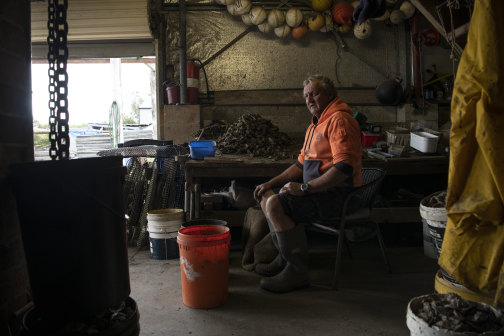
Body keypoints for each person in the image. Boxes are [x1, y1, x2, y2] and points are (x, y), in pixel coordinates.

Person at [253, 74, 363, 293]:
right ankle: (285, 259)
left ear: (330, 94)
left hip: (339, 195)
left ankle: (296, 272)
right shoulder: (316, 125)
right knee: (267, 196)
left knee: (276, 205)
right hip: (318, 192)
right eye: (306, 96)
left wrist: (304, 188)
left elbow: (344, 169)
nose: (309, 99)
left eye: (314, 93)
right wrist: (270, 182)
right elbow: (300, 166)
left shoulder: (339, 120)